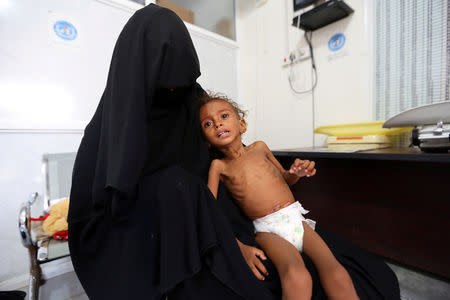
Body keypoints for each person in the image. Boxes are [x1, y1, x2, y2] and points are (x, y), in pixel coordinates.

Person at [68, 3, 400, 300]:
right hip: (149, 236)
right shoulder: (110, 130)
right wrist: (229, 242)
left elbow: (240, 172)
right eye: (165, 86)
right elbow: (103, 210)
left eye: (180, 86)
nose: (177, 95)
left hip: (251, 219)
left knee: (362, 273)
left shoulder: (194, 104)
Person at [199, 94, 360, 300]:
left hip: (296, 219)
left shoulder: (259, 147)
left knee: (336, 271)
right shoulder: (219, 166)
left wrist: (296, 173)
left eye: (223, 115)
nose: (218, 123)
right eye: (208, 123)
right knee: (297, 275)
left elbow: (285, 177)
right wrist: (237, 245)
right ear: (206, 142)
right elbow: (210, 209)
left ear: (242, 124)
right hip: (267, 228)